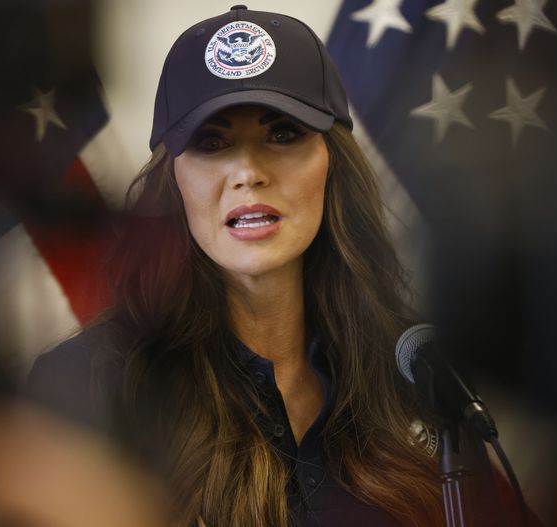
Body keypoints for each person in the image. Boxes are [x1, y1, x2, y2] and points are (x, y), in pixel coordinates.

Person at [29, 6, 446, 526]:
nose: (248, 172)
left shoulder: (414, 369)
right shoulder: (92, 383)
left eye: (283, 134)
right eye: (211, 142)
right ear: (172, 181)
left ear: (332, 163)